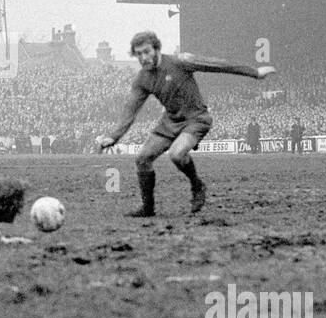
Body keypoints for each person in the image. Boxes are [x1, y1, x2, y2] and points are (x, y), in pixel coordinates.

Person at [96, 32, 275, 216]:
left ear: (156, 49)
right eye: (138, 54)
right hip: (170, 122)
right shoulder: (142, 79)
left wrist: (254, 73)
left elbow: (219, 65)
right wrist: (113, 136)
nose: (143, 58)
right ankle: (148, 208)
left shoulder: (180, 62)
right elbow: (130, 109)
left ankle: (197, 186)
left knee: (176, 154)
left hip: (196, 119)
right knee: (142, 159)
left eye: (146, 52)